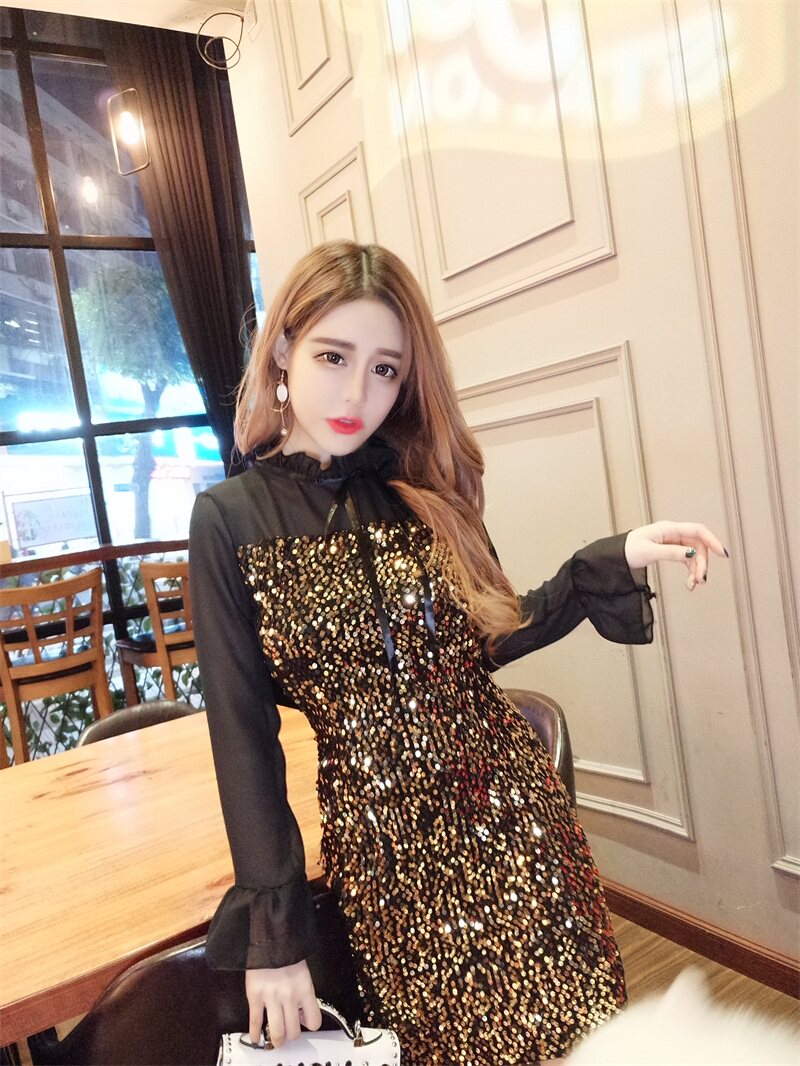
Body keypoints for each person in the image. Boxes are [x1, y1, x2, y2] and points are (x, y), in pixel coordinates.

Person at [189, 240, 727, 1065]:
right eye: (334, 356)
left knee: (575, 1039)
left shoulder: (423, 490)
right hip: (389, 856)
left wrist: (605, 562)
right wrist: (275, 936)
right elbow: (242, 739)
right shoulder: (229, 520)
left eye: (386, 369)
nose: (358, 393)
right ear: (285, 349)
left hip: (514, 818)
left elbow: (484, 642)